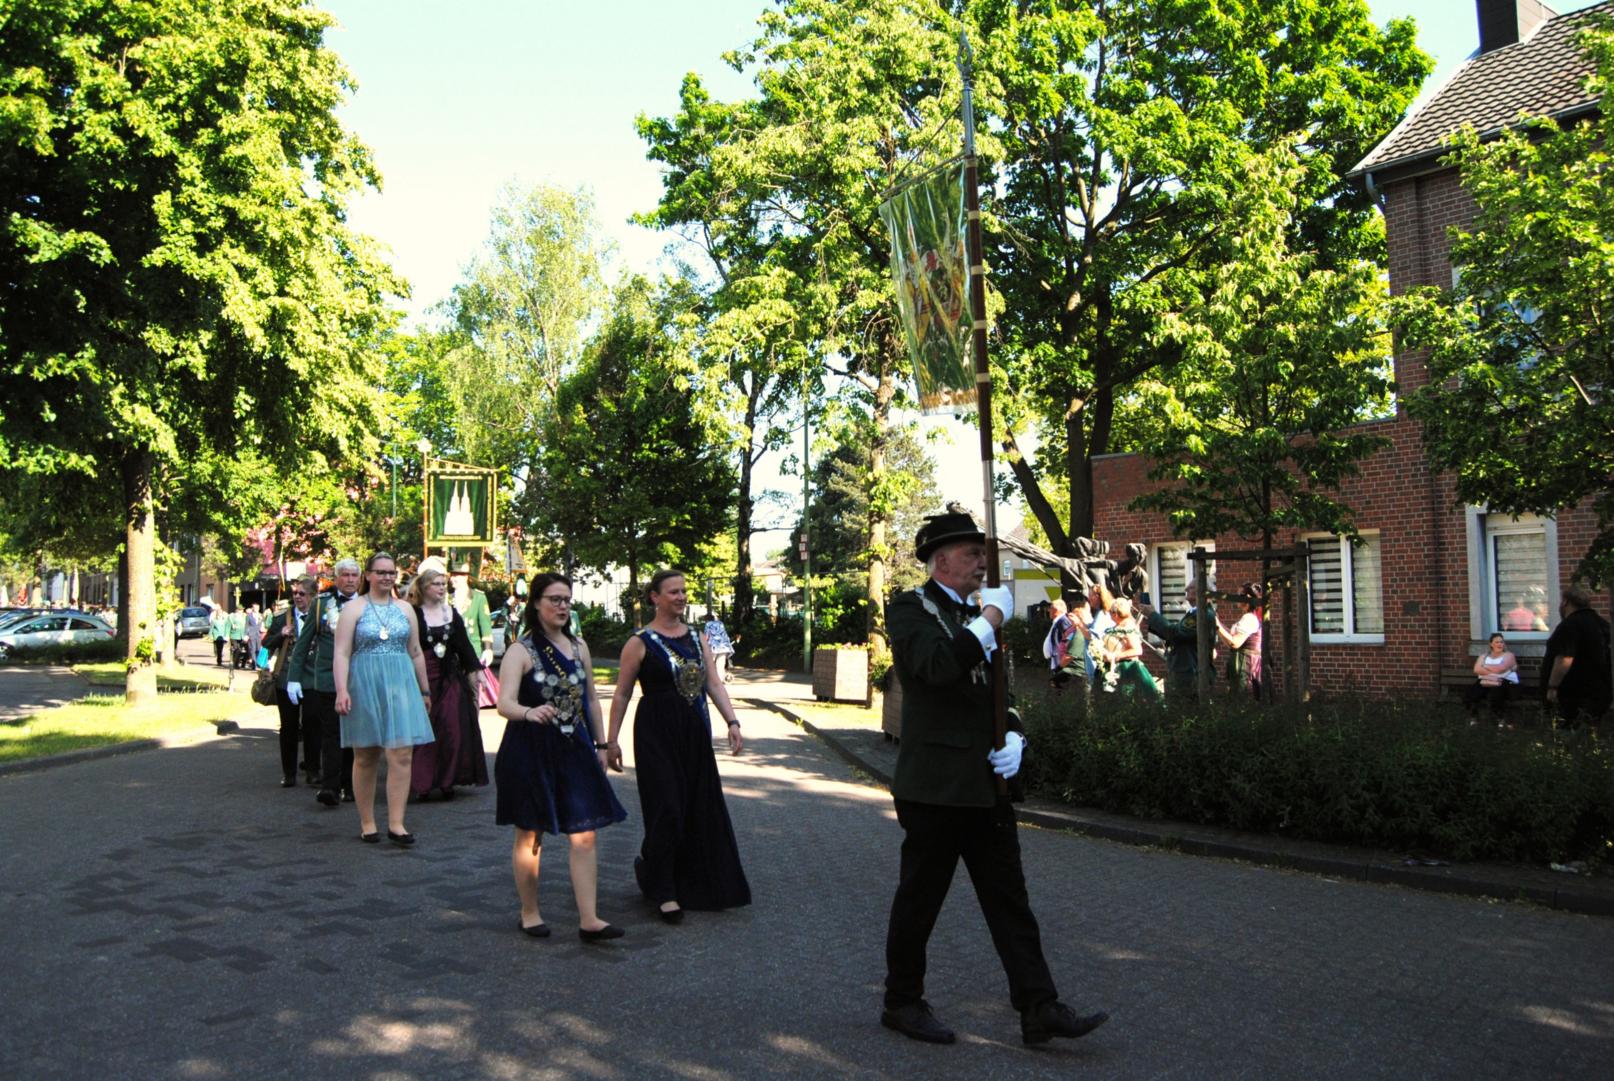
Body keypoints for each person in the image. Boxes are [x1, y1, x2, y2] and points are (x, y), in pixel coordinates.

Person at [881, 509, 1108, 1047]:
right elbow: (937, 669)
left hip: (987, 785)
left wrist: (1015, 736)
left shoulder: (982, 613)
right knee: (920, 901)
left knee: (1010, 902)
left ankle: (1038, 1006)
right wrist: (987, 621)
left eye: (983, 554)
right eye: (972, 554)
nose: (983, 563)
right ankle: (902, 1001)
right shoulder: (911, 609)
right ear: (940, 561)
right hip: (935, 787)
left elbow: (999, 693)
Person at [606, 569, 750, 922]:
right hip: (655, 734)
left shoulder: (697, 638)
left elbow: (713, 684)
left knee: (698, 805)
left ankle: (690, 880)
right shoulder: (639, 642)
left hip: (694, 732)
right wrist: (611, 741)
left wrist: (732, 722)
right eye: (673, 591)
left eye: (684, 591)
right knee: (666, 806)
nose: (682, 597)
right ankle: (664, 890)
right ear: (655, 597)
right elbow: (622, 694)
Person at [495, 572, 628, 943]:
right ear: (536, 603)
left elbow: (591, 700)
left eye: (567, 599)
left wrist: (601, 745)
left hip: (574, 747)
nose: (562, 606)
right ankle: (529, 913)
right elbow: (504, 703)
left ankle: (590, 919)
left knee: (585, 832)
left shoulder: (579, 646)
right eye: (554, 599)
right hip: (530, 749)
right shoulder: (521, 650)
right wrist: (528, 712)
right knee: (530, 833)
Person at [333, 552, 434, 846]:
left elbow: (416, 651)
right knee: (366, 754)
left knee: (401, 753)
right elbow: (342, 653)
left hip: (401, 685)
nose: (387, 577)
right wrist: (341, 690)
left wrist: (425, 690)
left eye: (391, 572)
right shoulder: (353, 609)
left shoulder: (405, 609)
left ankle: (396, 823)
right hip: (364, 683)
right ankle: (367, 823)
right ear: (368, 575)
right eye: (380, 572)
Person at [407, 567, 489, 800]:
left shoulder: (451, 613)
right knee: (424, 732)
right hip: (422, 678)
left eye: (444, 584)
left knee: (453, 728)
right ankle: (423, 783)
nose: (442, 588)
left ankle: (447, 780)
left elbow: (463, 645)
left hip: (450, 678)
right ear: (424, 587)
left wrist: (476, 670)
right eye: (437, 584)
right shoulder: (413, 614)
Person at [288, 560, 363, 807]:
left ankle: (350, 785)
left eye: (354, 575)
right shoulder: (321, 604)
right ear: (336, 578)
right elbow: (302, 644)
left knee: (354, 735)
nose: (350, 580)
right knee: (331, 733)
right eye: (345, 575)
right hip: (328, 680)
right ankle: (330, 786)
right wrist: (293, 678)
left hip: (359, 679)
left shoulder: (368, 604)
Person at [263, 578, 317, 787]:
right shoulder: (282, 618)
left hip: (311, 678)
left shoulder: (319, 616)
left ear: (312, 596)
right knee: (288, 727)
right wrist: (281, 634)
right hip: (286, 678)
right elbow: (266, 643)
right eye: (295, 593)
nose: (297, 597)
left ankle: (313, 771)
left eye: (302, 593)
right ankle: (289, 773)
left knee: (313, 724)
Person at [1542, 586, 1612, 727]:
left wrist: (1552, 687)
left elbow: (1565, 658)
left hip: (1572, 695)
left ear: (1566, 602)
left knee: (1568, 731)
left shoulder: (1569, 625)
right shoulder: (1602, 623)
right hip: (1600, 692)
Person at [1142, 580, 1213, 700]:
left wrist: (1153, 615)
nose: (1186, 589)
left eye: (1191, 587)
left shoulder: (1202, 615)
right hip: (1186, 672)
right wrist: (1151, 620)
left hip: (1191, 675)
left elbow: (1176, 633)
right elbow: (1175, 635)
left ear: (1202, 592)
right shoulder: (1195, 613)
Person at [1099, 597, 1160, 701]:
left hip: (1127, 669)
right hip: (1112, 668)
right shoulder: (1117, 626)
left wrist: (1115, 656)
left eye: (1110, 612)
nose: (1109, 614)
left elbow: (1137, 650)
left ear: (1115, 614)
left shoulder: (1128, 627)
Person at [1216, 583, 1264, 701]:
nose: (1236, 597)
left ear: (1247, 597)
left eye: (1239, 595)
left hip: (1245, 667)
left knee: (1244, 701)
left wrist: (1217, 625)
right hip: (1241, 665)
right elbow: (1231, 638)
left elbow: (1235, 643)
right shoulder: (1247, 617)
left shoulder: (1249, 618)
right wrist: (1218, 624)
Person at [1465, 632, 1519, 723]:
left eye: (1501, 642)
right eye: (1497, 642)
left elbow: (1501, 668)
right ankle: (1474, 717)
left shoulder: (1509, 655)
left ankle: (1500, 719)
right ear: (1491, 644)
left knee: (1496, 694)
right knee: (1472, 693)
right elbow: (1477, 669)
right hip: (1486, 681)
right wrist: (1494, 672)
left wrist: (1485, 666)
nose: (1500, 644)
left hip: (1504, 683)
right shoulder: (1484, 656)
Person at [703, 611, 735, 683]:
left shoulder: (708, 624)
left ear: (706, 620)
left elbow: (706, 636)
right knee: (720, 664)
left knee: (710, 663)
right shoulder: (720, 623)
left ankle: (709, 681)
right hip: (724, 646)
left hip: (713, 646)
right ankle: (719, 681)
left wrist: (703, 644)